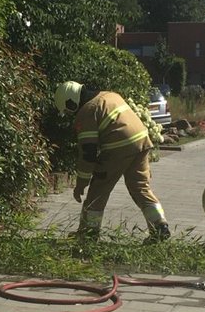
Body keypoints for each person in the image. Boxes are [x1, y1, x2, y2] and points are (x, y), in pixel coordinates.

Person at [53, 81, 170, 242]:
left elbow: (88, 153)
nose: (69, 113)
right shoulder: (110, 95)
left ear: (71, 102)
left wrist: (81, 184)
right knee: (140, 187)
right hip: (142, 142)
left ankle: (88, 233)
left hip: (119, 147)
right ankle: (159, 225)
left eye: (67, 109)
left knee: (98, 190)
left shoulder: (87, 111)